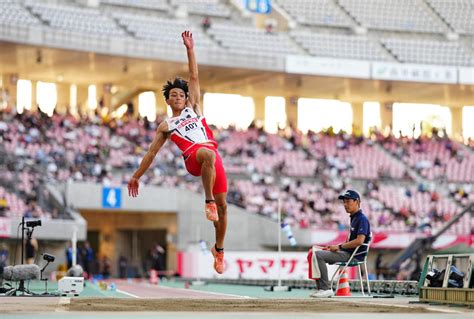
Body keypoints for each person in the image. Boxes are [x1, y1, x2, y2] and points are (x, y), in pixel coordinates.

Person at [128, 31, 228, 274]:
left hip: (212, 158)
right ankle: (208, 201)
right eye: (173, 95)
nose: (178, 97)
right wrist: (136, 176)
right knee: (207, 155)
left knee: (225, 208)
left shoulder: (194, 108)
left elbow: (193, 75)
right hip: (194, 158)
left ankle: (219, 250)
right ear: (168, 100)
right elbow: (151, 154)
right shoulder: (166, 126)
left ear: (186, 99)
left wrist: (190, 49)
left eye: (181, 95)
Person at [307, 190, 371, 298]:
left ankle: (325, 288)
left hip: (353, 256)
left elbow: (360, 241)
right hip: (347, 252)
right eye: (344, 202)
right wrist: (336, 247)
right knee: (313, 252)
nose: (345, 204)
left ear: (357, 201)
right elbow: (351, 241)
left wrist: (339, 247)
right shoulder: (354, 218)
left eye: (348, 201)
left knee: (318, 255)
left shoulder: (362, 219)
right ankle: (321, 288)